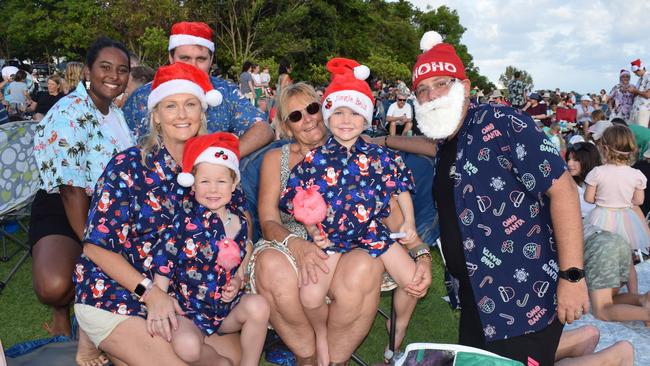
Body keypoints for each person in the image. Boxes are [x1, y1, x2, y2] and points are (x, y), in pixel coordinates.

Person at [412, 31, 589, 365]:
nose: (431, 95)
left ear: (463, 86)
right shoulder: (446, 139)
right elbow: (428, 150)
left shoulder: (504, 123)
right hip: (476, 299)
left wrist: (572, 277)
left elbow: (563, 189)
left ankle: (615, 358)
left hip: (524, 297)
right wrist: (386, 142)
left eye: (440, 84)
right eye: (422, 89)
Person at [73, 62, 243, 366]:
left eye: (190, 104)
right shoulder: (128, 166)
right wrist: (151, 294)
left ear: (202, 112)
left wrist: (240, 269)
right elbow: (94, 247)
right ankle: (104, 336)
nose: (181, 114)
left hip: (187, 299)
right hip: (115, 292)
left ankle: (121, 352)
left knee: (234, 359)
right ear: (156, 115)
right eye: (171, 106)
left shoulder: (214, 165)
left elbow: (242, 219)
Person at [253, 82, 432, 365]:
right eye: (296, 116)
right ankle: (306, 350)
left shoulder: (363, 151)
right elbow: (268, 219)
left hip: (356, 237)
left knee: (364, 269)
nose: (308, 118)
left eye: (312, 108)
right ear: (286, 126)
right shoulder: (281, 159)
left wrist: (419, 250)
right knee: (280, 274)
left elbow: (393, 207)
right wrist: (299, 242)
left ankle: (340, 356)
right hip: (297, 238)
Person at [32, 36, 134, 366]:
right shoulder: (68, 112)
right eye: (105, 67)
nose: (114, 76)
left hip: (111, 209)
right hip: (65, 205)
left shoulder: (116, 114)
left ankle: (95, 315)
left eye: (122, 70)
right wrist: (94, 248)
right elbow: (70, 189)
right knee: (54, 285)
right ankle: (64, 308)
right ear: (88, 70)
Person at [152, 132, 269, 366]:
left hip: (224, 309)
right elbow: (164, 263)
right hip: (188, 310)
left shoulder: (239, 223)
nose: (213, 189)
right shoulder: (183, 222)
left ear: (234, 184)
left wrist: (237, 282)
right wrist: (159, 298)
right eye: (204, 181)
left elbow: (239, 263)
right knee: (188, 346)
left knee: (259, 306)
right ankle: (217, 362)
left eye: (221, 181)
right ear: (193, 184)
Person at [122, 21, 272, 157]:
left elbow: (262, 128)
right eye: (185, 58)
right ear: (171, 57)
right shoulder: (142, 97)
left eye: (201, 59)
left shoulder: (225, 92)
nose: (192, 66)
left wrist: (224, 157)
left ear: (211, 60)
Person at [566, 142, 650, 325]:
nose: (570, 163)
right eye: (569, 159)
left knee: (602, 309)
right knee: (610, 297)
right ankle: (641, 301)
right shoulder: (612, 178)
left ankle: (645, 310)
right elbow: (635, 205)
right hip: (616, 237)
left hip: (599, 240)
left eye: (575, 159)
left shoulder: (581, 184)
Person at [584, 124, 650, 251]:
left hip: (600, 217)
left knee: (600, 250)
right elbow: (638, 201)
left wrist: (602, 198)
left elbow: (588, 198)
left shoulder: (597, 172)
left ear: (605, 149)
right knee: (624, 250)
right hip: (626, 218)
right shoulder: (636, 175)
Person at [629, 59, 650, 127]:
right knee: (633, 132)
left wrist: (635, 91)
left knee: (641, 133)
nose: (635, 74)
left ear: (640, 69)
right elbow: (638, 94)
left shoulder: (649, 77)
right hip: (635, 110)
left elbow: (648, 95)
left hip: (643, 110)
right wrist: (632, 91)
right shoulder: (640, 79)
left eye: (636, 72)